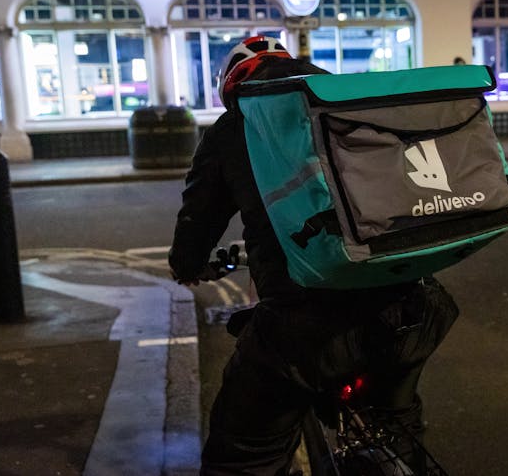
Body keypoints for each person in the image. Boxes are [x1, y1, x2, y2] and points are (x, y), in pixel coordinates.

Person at [168, 35, 459, 475]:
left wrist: (187, 265)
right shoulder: (352, 108)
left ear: (233, 87)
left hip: (305, 330)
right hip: (413, 307)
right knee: (397, 430)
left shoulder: (237, 128)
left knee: (244, 454)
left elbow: (199, 217)